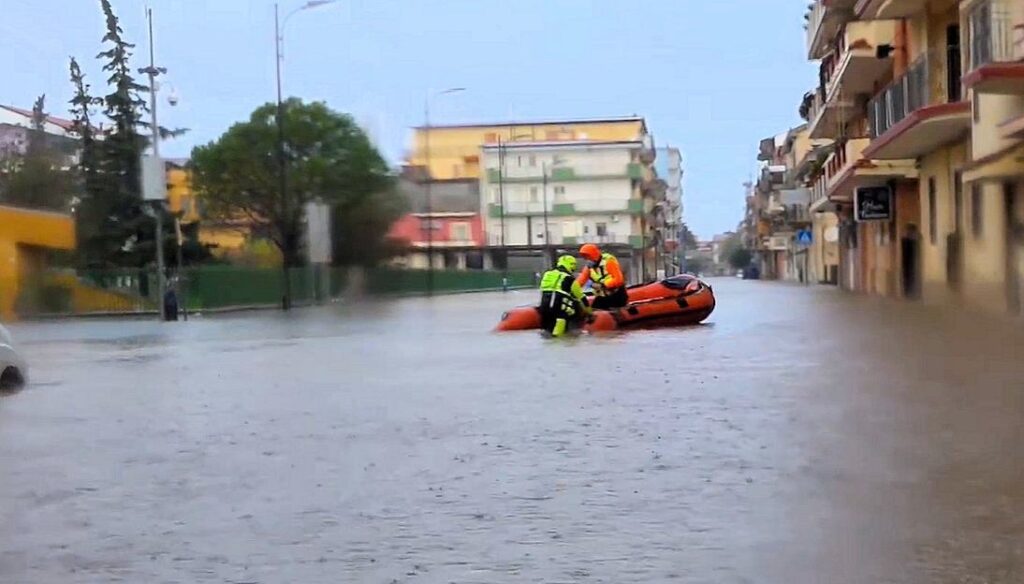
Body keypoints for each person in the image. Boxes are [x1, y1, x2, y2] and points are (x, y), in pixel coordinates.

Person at [538, 255, 590, 337]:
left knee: (546, 333)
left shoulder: (547, 274)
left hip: (544, 307)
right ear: (571, 265)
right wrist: (589, 313)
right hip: (559, 311)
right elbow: (581, 297)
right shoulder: (569, 278)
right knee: (559, 337)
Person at [577, 243, 628, 309]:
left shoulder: (608, 261)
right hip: (602, 295)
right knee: (594, 312)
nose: (586, 259)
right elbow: (581, 281)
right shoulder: (589, 267)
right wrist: (571, 290)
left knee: (613, 313)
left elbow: (618, 280)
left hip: (616, 294)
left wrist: (603, 285)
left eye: (587, 256)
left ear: (593, 255)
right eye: (585, 257)